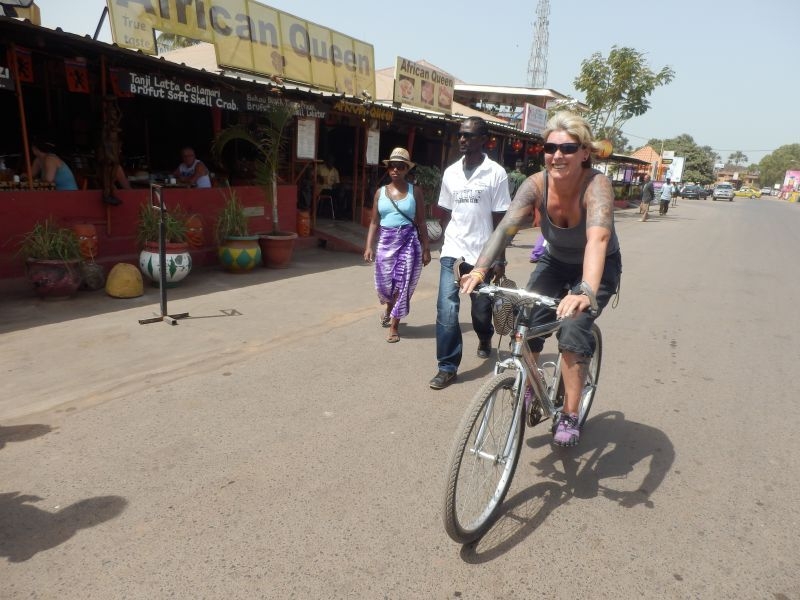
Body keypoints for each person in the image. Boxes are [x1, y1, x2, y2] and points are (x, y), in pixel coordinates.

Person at [460, 111, 622, 447]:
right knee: (527, 319)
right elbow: (506, 227)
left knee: (574, 326)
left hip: (597, 266)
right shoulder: (536, 184)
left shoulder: (597, 185)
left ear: (584, 152)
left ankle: (570, 413)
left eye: (567, 148)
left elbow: (598, 241)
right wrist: (479, 269)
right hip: (555, 261)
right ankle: (531, 389)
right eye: (550, 148)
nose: (557, 155)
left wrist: (586, 291)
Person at [429, 116, 512, 390]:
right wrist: (442, 242)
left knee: (480, 311)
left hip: (482, 255)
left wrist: (499, 258)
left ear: (484, 140)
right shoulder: (450, 173)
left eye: (469, 135)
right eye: (461, 135)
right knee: (447, 309)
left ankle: (485, 335)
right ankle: (447, 366)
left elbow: (501, 219)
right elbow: (447, 213)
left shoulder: (496, 173)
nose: (462, 139)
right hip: (453, 250)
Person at [363, 148, 431, 343]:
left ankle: (394, 325)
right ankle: (388, 308)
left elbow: (422, 222)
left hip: (409, 242)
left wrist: (426, 248)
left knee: (403, 284)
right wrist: (369, 246)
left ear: (406, 169)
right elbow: (374, 222)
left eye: (400, 166)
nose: (395, 170)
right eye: (392, 166)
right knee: (385, 285)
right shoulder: (380, 193)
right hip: (385, 242)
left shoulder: (415, 192)